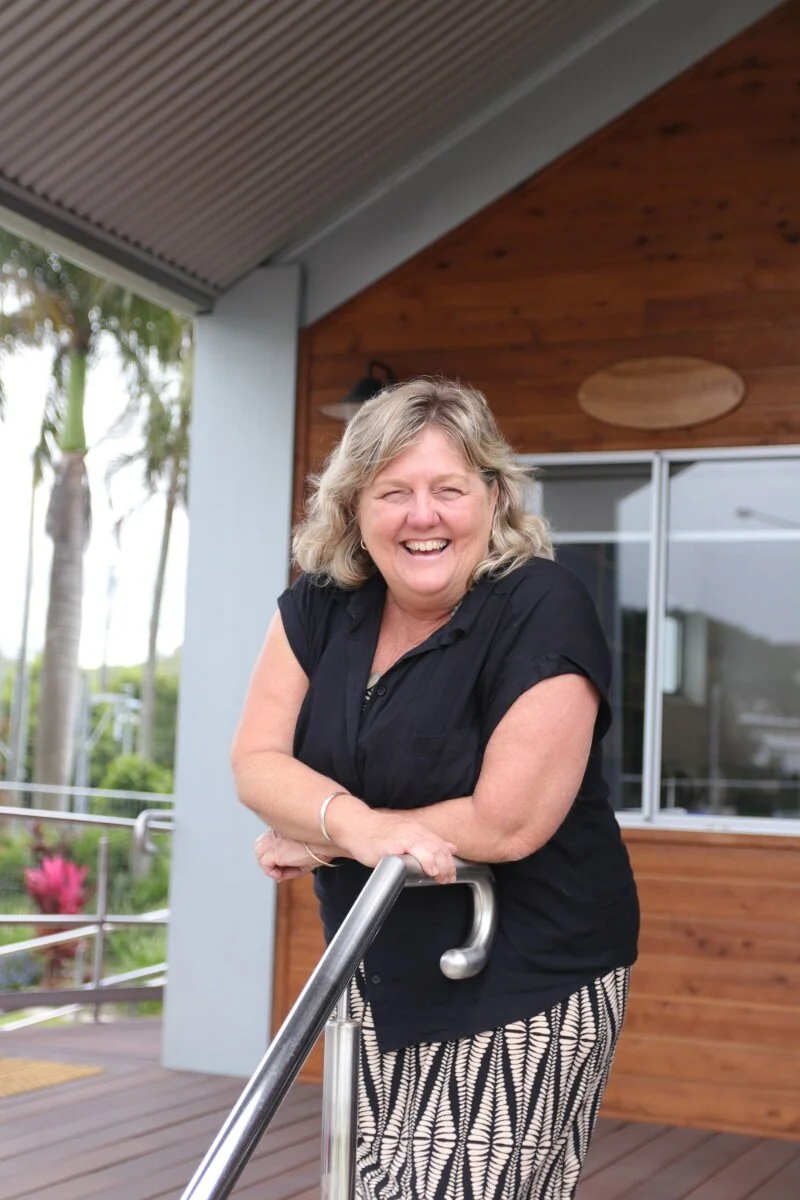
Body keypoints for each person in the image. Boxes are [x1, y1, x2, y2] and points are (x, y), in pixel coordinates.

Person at [231, 377, 639, 1200]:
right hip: (374, 967)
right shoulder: (320, 605)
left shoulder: (543, 605)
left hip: (522, 975)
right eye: (394, 493)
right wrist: (354, 827)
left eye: (448, 489)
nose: (423, 516)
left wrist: (328, 835)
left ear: (493, 497)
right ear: (354, 507)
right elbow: (257, 762)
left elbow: (507, 820)